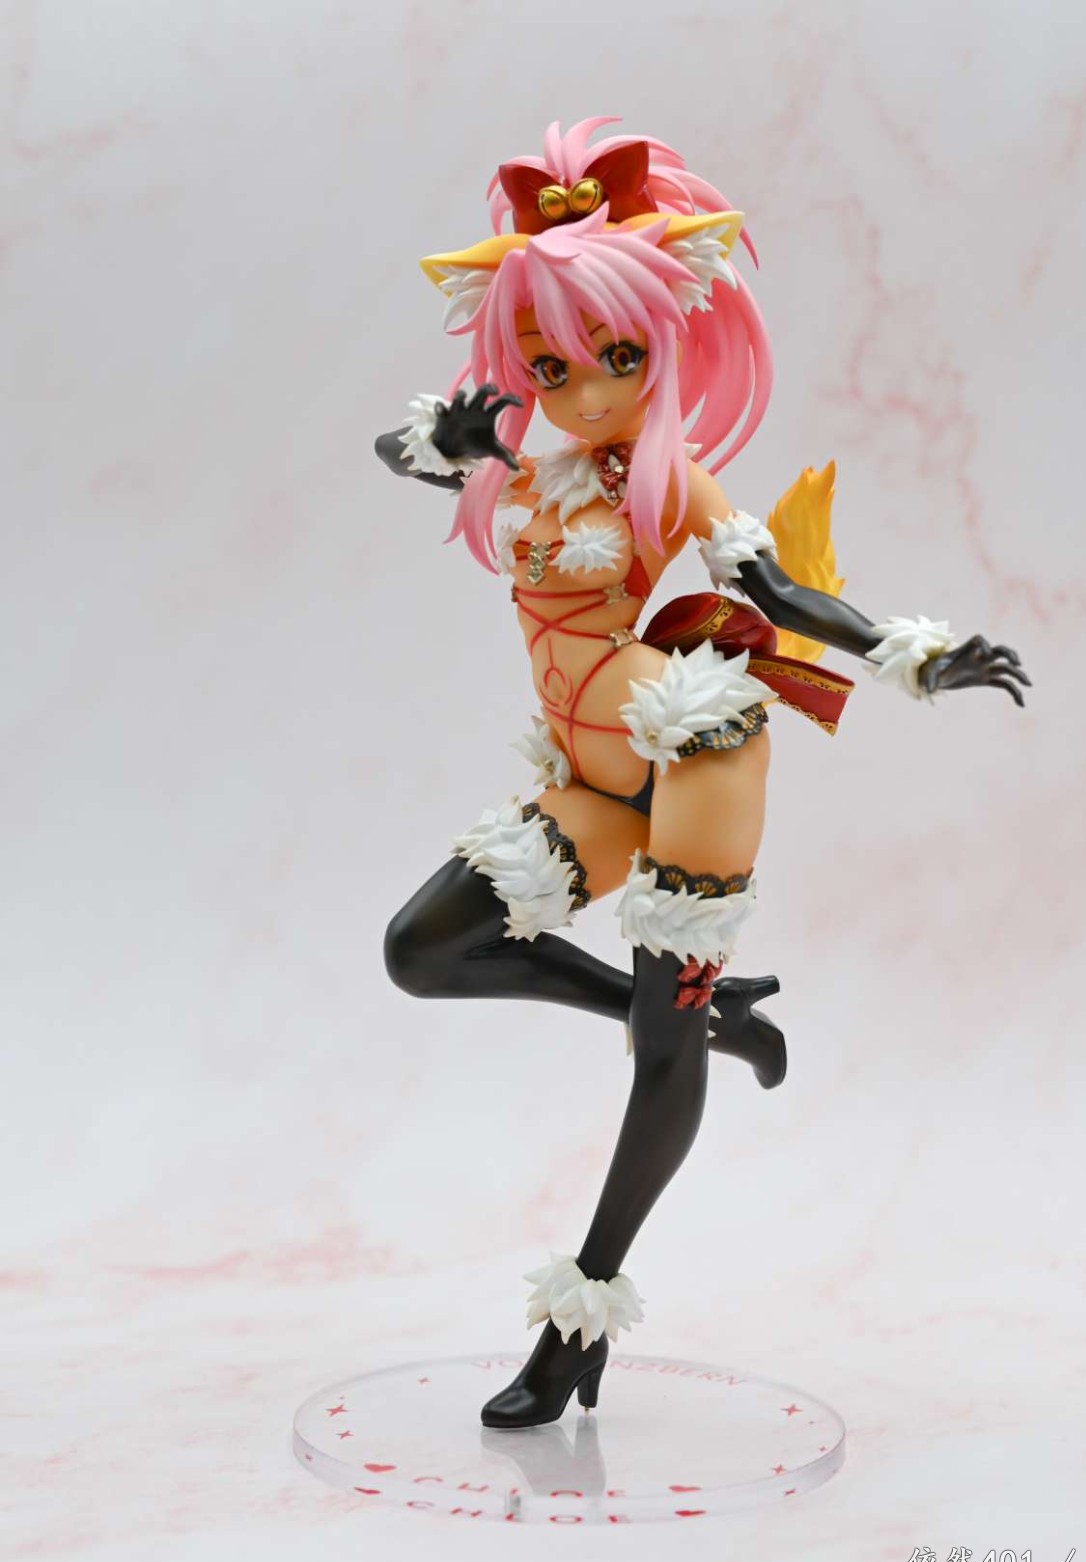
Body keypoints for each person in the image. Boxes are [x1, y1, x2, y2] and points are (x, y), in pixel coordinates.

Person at [373, 117, 1029, 1430]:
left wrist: (915, 654)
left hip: (690, 749)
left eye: (618, 358)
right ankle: (709, 1015)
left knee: (656, 1054)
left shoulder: (674, 481)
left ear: (665, 341)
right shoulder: (528, 472)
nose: (588, 390)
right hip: (587, 774)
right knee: (425, 947)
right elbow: (401, 455)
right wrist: (450, 436)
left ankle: (575, 1327)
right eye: (553, 364)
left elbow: (780, 591)